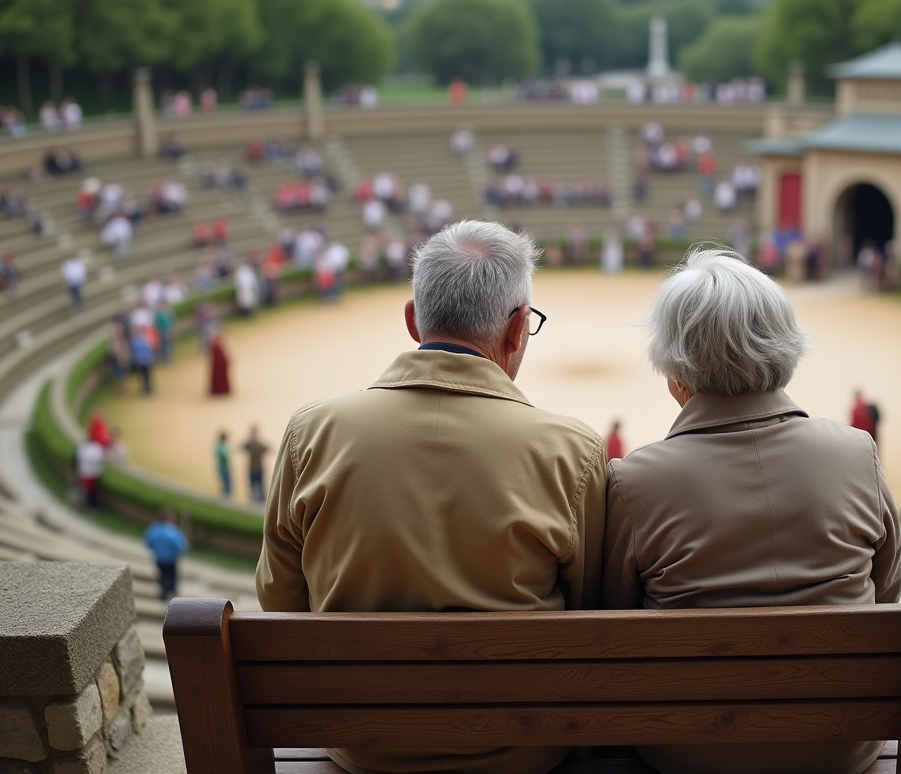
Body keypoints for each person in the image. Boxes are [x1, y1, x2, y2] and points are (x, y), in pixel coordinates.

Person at [256, 220, 607, 774]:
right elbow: (590, 610)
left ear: (414, 320)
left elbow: (279, 600)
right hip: (523, 750)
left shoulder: (313, 432)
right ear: (518, 329)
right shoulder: (571, 450)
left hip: (361, 745)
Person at [602, 250, 901, 774]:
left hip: (686, 750)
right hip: (841, 744)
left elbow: (613, 620)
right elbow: (887, 592)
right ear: (785, 349)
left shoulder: (635, 481)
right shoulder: (857, 454)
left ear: (677, 376)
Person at [144, 511, 189, 601]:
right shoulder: (173, 531)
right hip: (170, 558)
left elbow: (149, 542)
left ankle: (164, 592)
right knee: (171, 576)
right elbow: (181, 546)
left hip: (159, 557)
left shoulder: (154, 529)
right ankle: (170, 593)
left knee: (163, 575)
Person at [75, 437, 106, 509]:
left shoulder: (84, 447)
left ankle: (90, 505)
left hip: (88, 473)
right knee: (90, 491)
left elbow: (79, 459)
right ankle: (90, 505)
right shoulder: (95, 448)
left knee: (89, 491)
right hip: (90, 473)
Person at [242, 425, 269, 502]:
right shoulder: (259, 445)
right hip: (258, 468)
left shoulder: (250, 444)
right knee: (259, 488)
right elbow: (267, 448)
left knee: (254, 487)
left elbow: (243, 446)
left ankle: (255, 501)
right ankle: (261, 502)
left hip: (254, 468)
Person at [215, 431, 232, 497]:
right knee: (226, 485)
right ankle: (224, 499)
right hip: (223, 469)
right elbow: (225, 456)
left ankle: (225, 497)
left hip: (224, 468)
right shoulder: (221, 446)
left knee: (226, 485)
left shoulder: (222, 446)